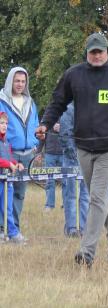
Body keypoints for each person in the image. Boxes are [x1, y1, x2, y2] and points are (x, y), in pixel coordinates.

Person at [35, 32, 108, 267]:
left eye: (100, 51)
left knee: (96, 197)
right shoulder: (73, 75)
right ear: (87, 52)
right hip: (83, 146)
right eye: (93, 51)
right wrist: (45, 124)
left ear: (107, 51)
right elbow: (57, 101)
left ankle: (86, 253)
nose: (97, 55)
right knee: (100, 198)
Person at [0, 67, 39, 231]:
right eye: (17, 81)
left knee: (19, 194)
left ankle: (13, 227)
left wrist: (36, 141)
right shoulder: (2, 101)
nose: (20, 84)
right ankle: (2, 228)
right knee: (4, 194)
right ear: (10, 81)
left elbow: (36, 124)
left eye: (23, 81)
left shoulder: (30, 102)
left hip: (28, 154)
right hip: (9, 154)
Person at [59, 103, 89, 237]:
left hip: (89, 155)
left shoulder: (91, 106)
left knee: (86, 195)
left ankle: (82, 227)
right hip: (73, 156)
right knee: (71, 194)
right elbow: (65, 133)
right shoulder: (69, 108)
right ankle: (71, 228)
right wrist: (73, 154)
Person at [0, 112, 26, 244]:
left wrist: (16, 163)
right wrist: (8, 164)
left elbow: (9, 157)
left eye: (5, 123)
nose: (4, 126)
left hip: (7, 181)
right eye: (1, 123)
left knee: (7, 208)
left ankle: (12, 233)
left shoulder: (6, 142)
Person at [38, 122, 65, 212]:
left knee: (66, 180)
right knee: (50, 181)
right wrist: (39, 152)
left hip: (64, 153)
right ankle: (49, 205)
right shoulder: (49, 117)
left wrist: (63, 126)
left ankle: (66, 204)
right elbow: (42, 137)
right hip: (49, 153)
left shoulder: (67, 112)